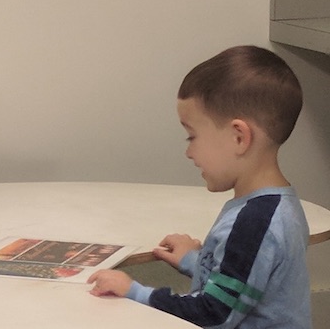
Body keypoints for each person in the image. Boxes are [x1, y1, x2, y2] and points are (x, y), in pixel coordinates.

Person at [87, 45, 311, 328]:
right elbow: (245, 281)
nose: (188, 153)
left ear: (238, 137)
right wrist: (194, 261)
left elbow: (214, 313)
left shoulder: (255, 223)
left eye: (191, 137)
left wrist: (134, 291)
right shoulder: (274, 206)